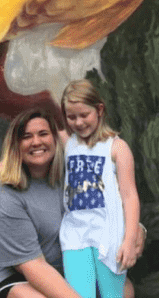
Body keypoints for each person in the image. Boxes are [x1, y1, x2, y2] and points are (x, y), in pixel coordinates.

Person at [0, 108, 143, 298]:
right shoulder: (4, 198)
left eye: (43, 134)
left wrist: (136, 229)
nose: (36, 142)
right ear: (15, 145)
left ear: (55, 139)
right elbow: (33, 267)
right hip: (12, 274)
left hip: (68, 266)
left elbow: (105, 209)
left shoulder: (73, 175)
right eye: (26, 136)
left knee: (124, 290)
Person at [59, 79, 140, 298]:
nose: (78, 122)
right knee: (79, 294)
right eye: (71, 117)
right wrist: (2, 168)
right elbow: (24, 148)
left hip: (109, 236)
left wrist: (130, 240)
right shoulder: (66, 141)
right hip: (75, 236)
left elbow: (130, 197)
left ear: (99, 110)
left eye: (84, 115)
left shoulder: (117, 148)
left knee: (112, 294)